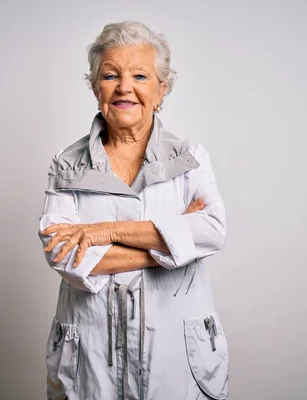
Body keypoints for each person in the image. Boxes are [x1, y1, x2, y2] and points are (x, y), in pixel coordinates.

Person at [38, 21, 229, 400]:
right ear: (96, 90)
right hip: (90, 358)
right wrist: (174, 243)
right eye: (111, 75)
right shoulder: (67, 164)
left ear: (161, 91)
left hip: (178, 359)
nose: (125, 87)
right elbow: (63, 254)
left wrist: (103, 232)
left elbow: (211, 229)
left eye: (140, 75)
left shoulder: (190, 159)